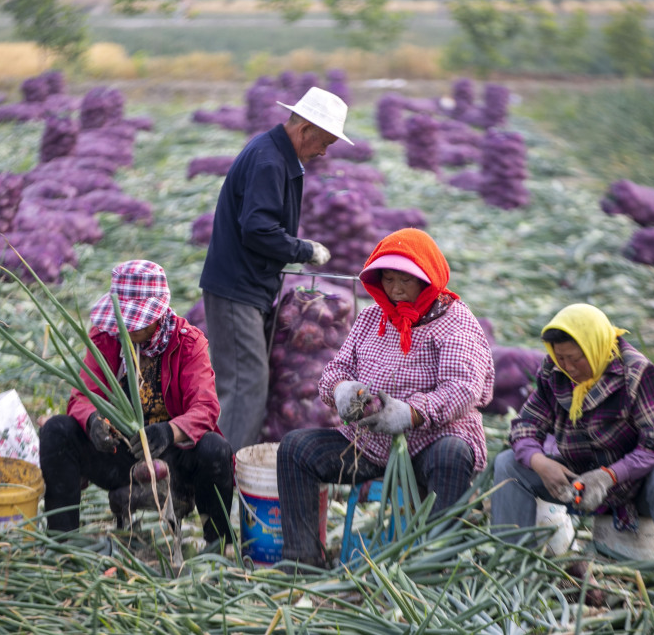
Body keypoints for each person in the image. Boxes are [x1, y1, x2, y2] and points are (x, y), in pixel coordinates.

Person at [277, 228, 495, 568]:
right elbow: (336, 369)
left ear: (427, 280)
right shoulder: (371, 318)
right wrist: (341, 390)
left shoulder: (455, 322)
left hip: (432, 442)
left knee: (453, 455)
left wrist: (411, 413)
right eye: (388, 280)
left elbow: (463, 388)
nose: (395, 290)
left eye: (405, 281)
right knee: (295, 449)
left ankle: (436, 563)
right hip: (371, 443)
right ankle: (302, 560)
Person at [39, 260, 234, 545]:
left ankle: (220, 546)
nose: (126, 329)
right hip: (120, 451)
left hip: (173, 456)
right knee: (57, 430)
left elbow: (206, 408)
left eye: (136, 322)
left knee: (216, 449)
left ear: (158, 314)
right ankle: (62, 544)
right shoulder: (106, 337)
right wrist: (93, 421)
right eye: (123, 320)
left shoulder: (188, 343)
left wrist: (169, 431)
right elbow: (82, 396)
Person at [200, 86, 352, 452]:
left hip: (246, 286)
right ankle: (225, 472)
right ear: (304, 130)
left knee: (246, 381)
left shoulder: (273, 154)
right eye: (324, 142)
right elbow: (258, 230)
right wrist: (303, 250)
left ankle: (224, 465)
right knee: (246, 384)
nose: (323, 152)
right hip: (236, 288)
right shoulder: (269, 161)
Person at [490, 303, 654, 560]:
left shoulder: (637, 374)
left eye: (575, 358)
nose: (568, 366)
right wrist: (540, 463)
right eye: (560, 357)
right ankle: (509, 563)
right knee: (508, 463)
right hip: (580, 480)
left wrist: (608, 476)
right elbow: (525, 425)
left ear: (594, 346)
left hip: (635, 484)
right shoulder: (554, 370)